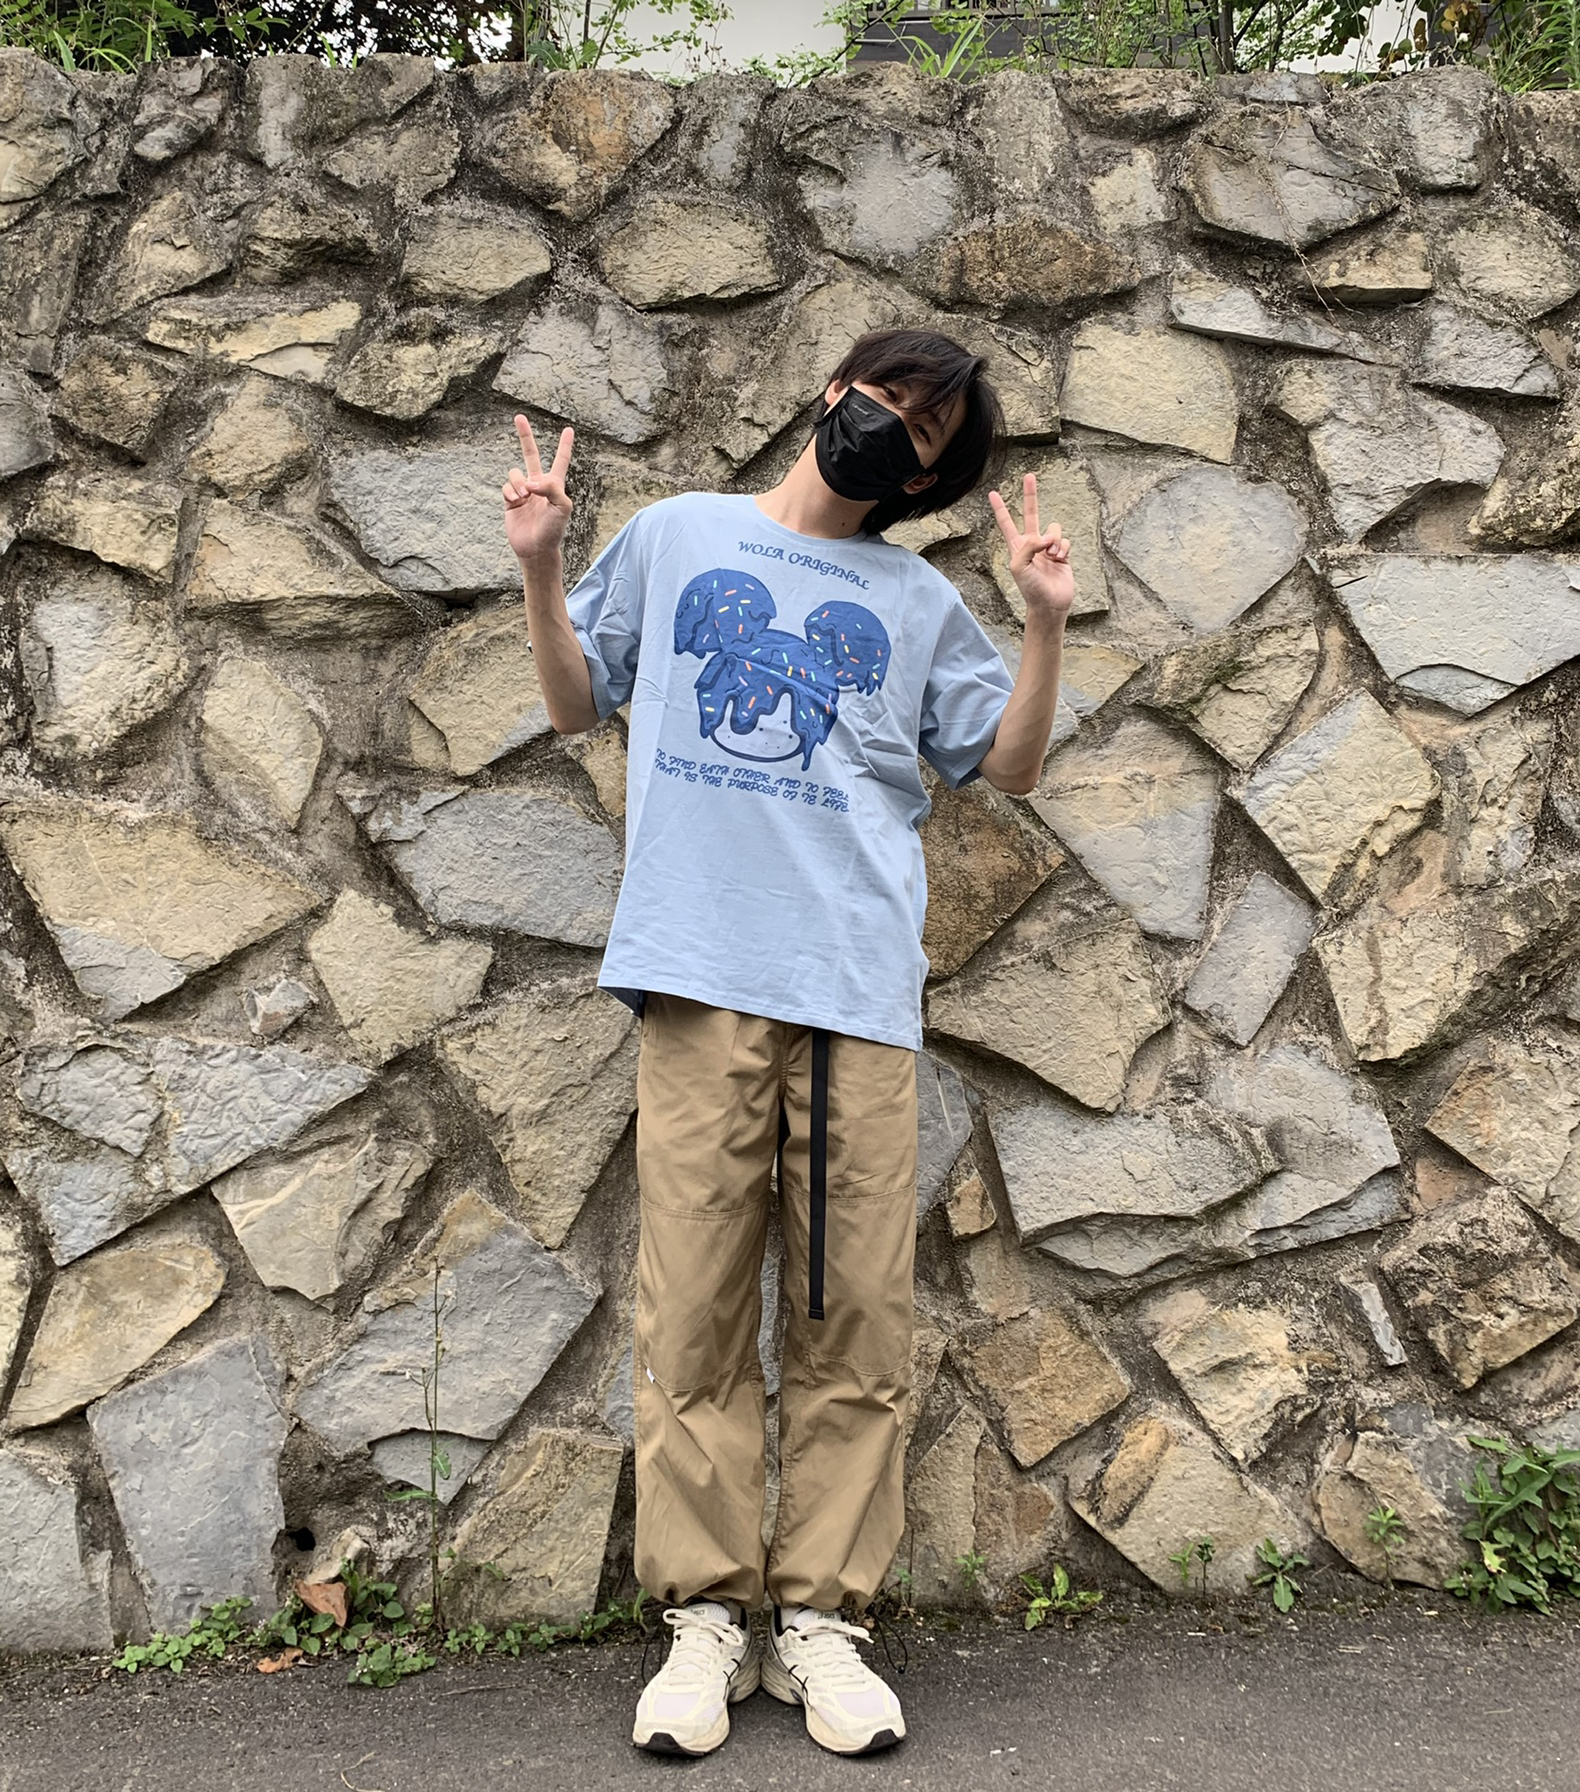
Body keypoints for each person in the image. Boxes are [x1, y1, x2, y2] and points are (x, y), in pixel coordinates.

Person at [501, 328, 1074, 1758]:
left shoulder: (916, 600)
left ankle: (821, 1621)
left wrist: (1044, 624)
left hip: (856, 992)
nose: (892, 432)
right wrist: (541, 568)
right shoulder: (676, 536)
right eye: (886, 401)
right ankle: (706, 1619)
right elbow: (577, 702)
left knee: (855, 1319)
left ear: (927, 482)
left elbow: (1005, 764)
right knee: (692, 1311)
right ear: (833, 393)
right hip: (700, 978)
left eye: (923, 437)